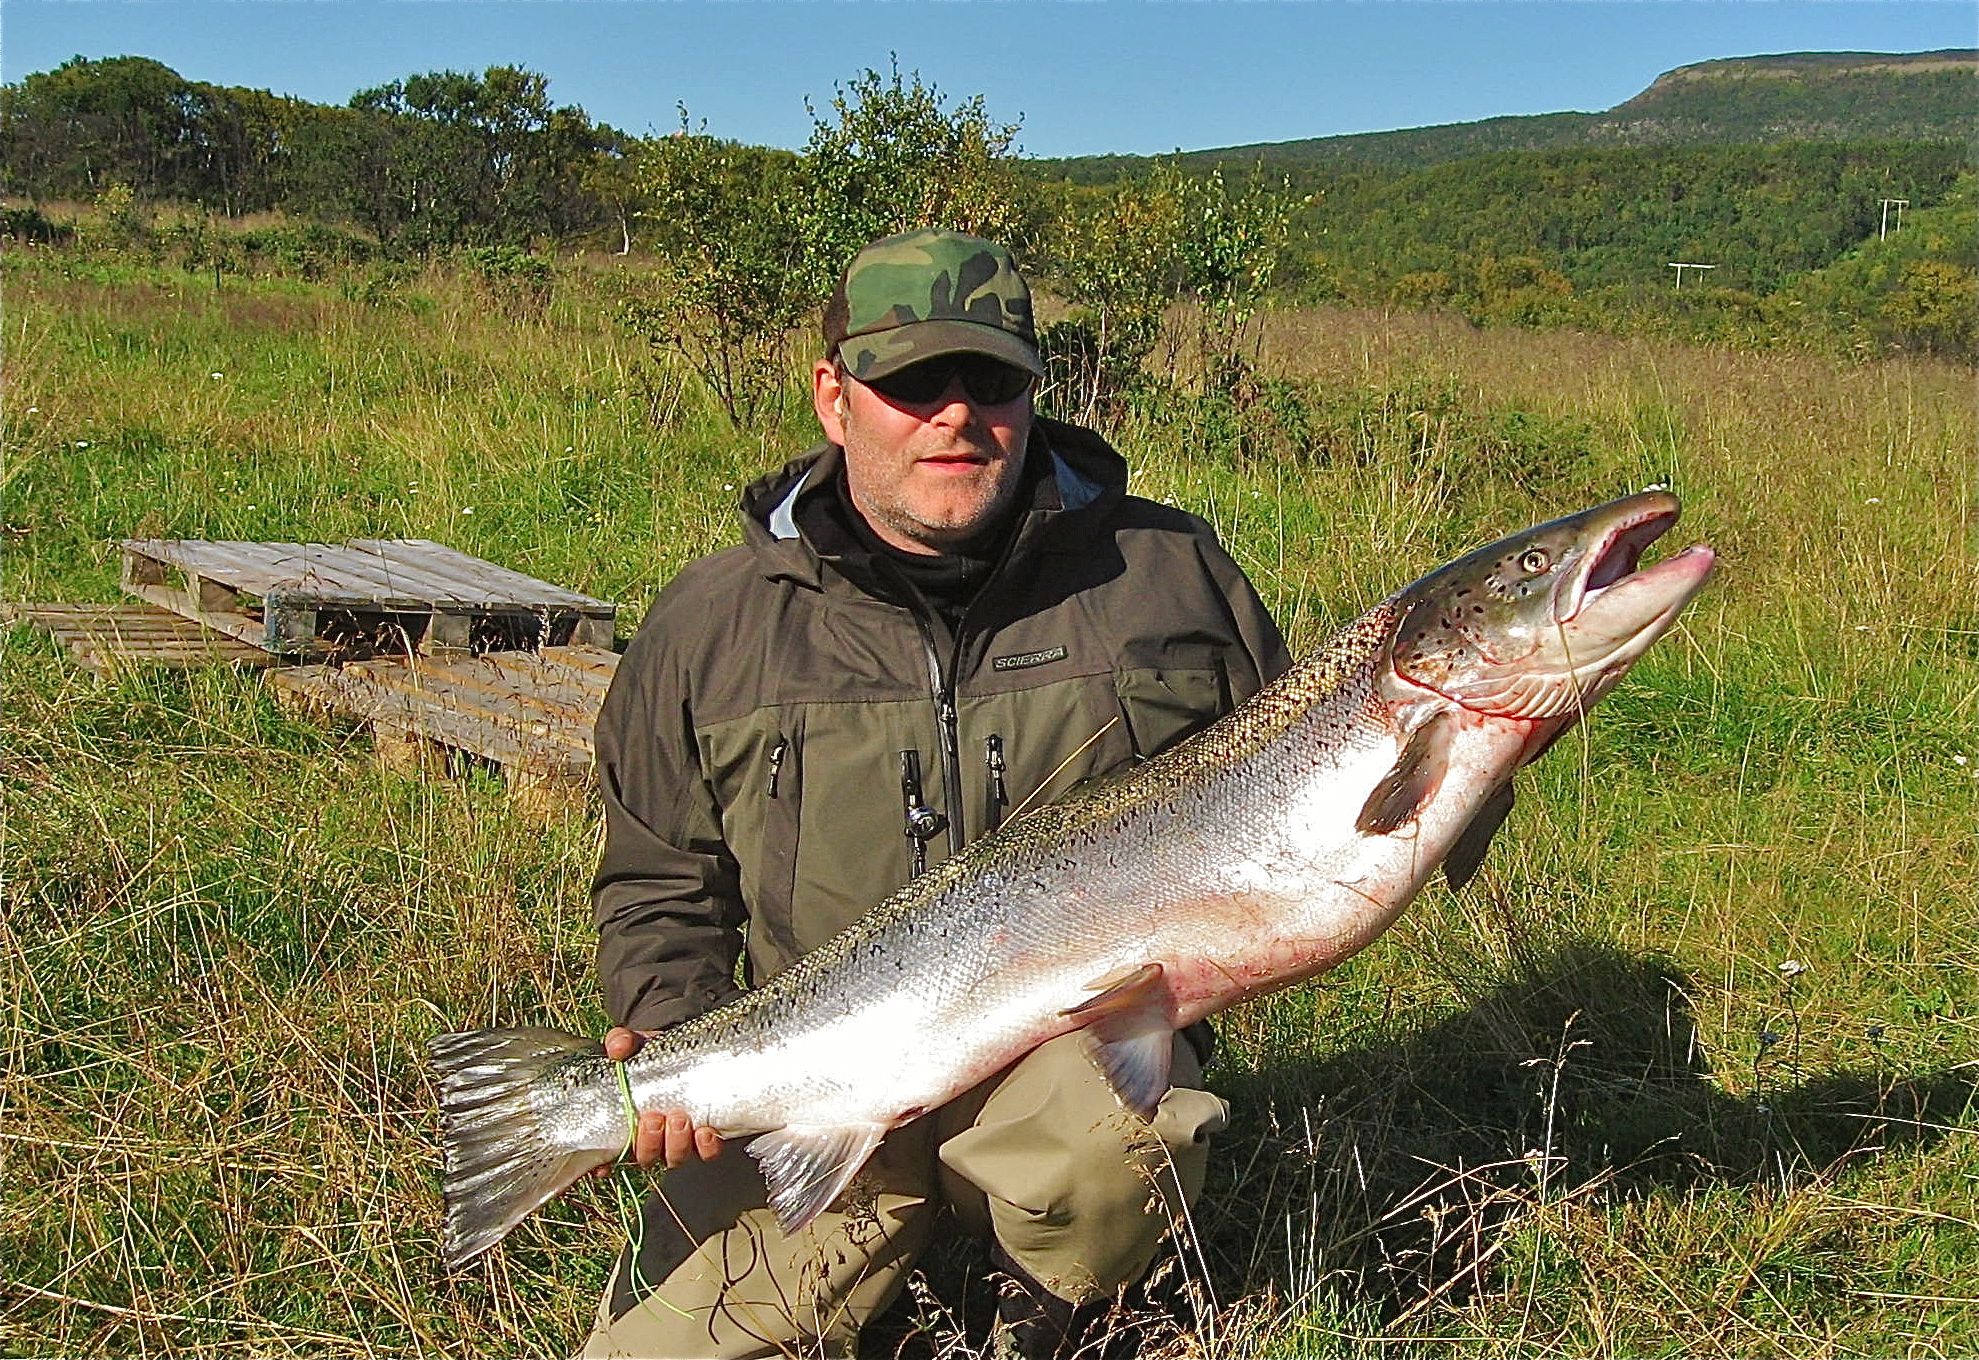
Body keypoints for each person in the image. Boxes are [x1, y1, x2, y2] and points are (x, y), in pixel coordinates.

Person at [581, 228, 1290, 1360]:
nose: (955, 414)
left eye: (992, 379)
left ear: (1031, 393)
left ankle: (1049, 1319)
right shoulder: (707, 626)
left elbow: (1301, 788)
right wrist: (669, 1022)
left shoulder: (1168, 575)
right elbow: (659, 874)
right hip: (821, 1056)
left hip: (1064, 1053)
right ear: (834, 394)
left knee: (1106, 1147)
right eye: (912, 381)